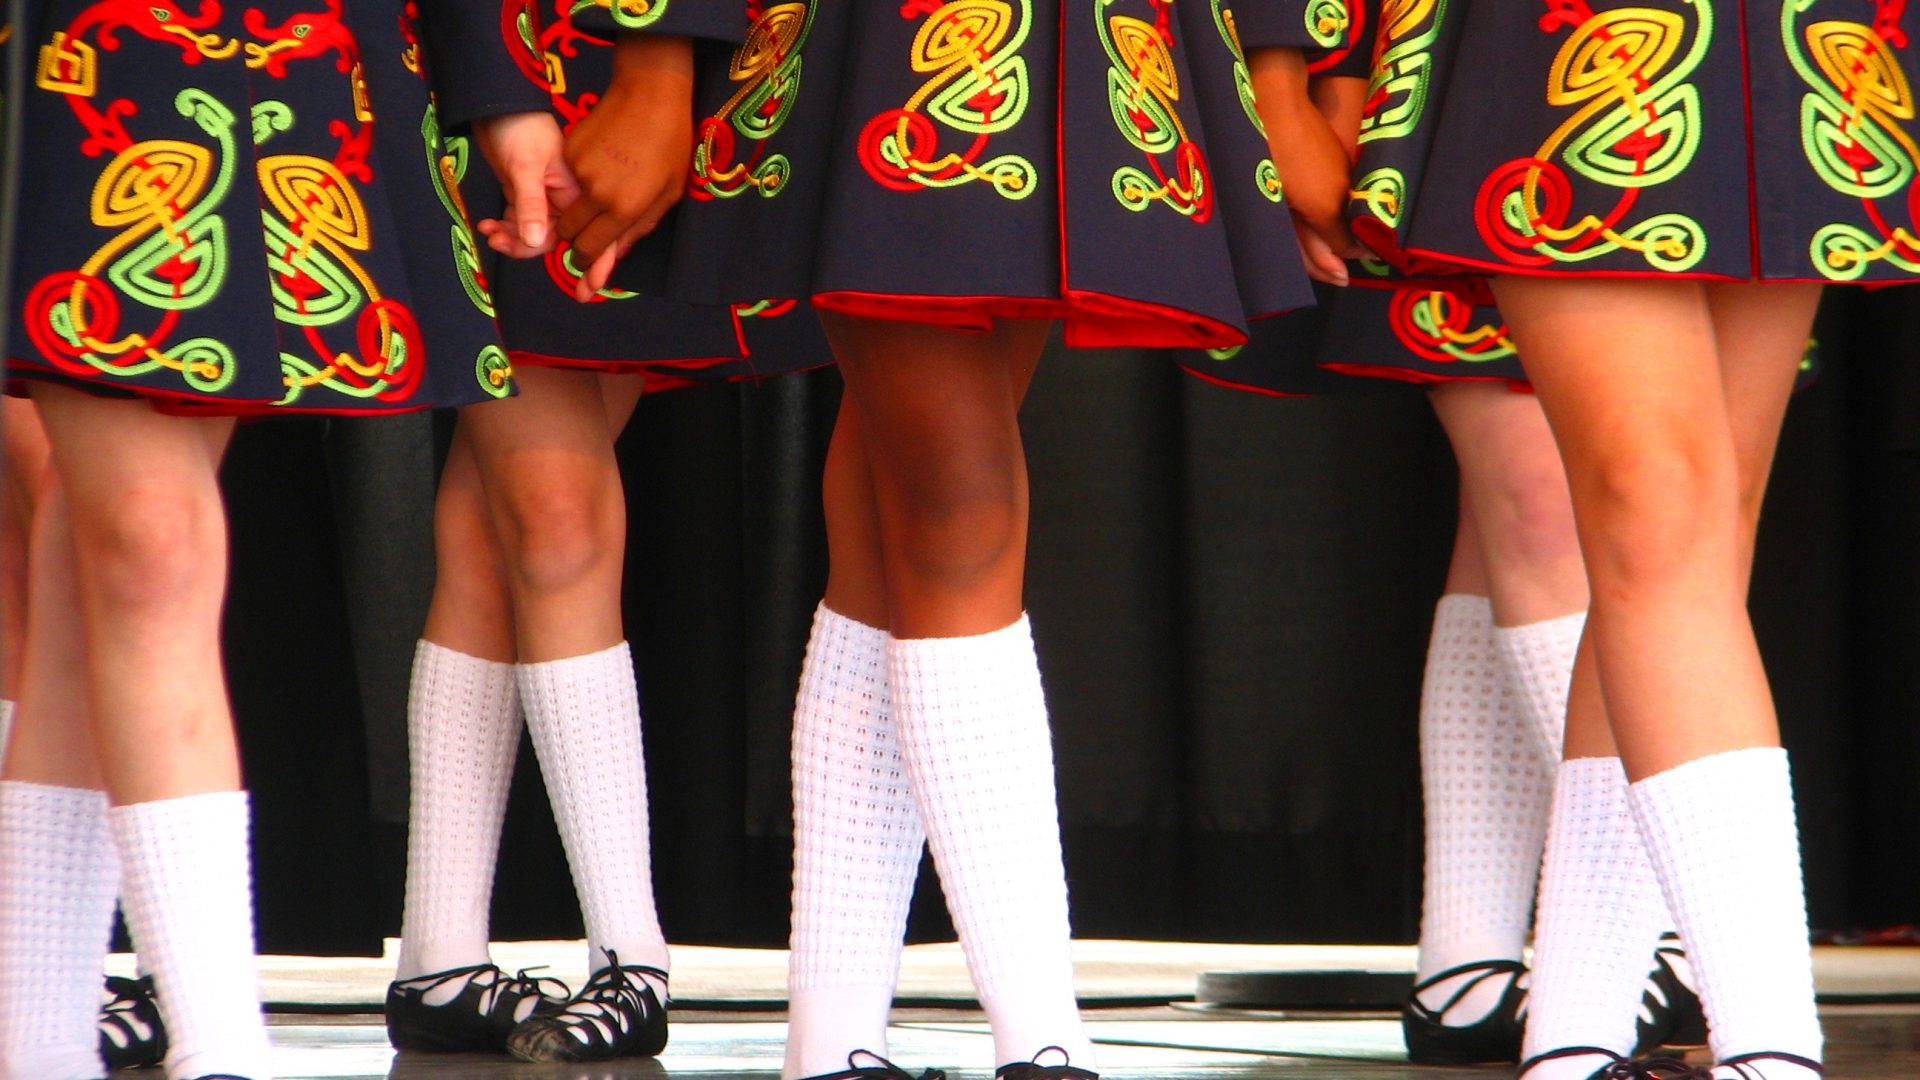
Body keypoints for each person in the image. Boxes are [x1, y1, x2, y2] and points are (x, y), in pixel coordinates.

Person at [547, 3, 1357, 1078]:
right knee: (954, 505)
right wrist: (654, 54)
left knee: (899, 520)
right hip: (892, 37)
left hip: (1097, 39)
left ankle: (833, 1041)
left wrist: (1282, 65)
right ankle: (1042, 1042)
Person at [1324, 2, 1920, 1077]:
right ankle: (1771, 1042)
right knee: (1655, 514)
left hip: (1799, 43)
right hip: (1565, 47)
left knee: (1696, 538)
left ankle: (1576, 1028)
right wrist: (1310, 72)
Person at [0, 2, 516, 1077]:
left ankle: (43, 1046)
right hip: (57, 48)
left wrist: (500, 87)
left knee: (103, 552)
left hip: (272, 44)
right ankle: (217, 1048)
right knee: (141, 539)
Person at [385, 1, 825, 1064]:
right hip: (473, 64)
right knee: (550, 511)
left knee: (499, 524)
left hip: (610, 75)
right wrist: (496, 91)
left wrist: (662, 76)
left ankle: (441, 957)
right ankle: (631, 953)